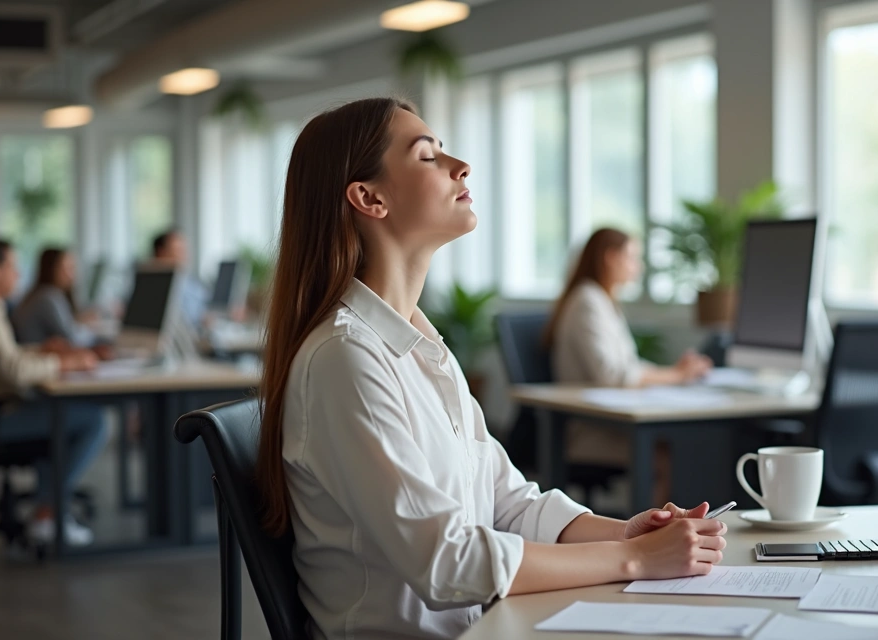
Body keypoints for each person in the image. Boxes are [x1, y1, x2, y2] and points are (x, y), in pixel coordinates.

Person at [255, 98, 727, 640]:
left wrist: (625, 534)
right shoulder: (345, 360)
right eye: (428, 156)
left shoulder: (421, 345)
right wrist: (637, 561)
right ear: (369, 198)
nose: (461, 165)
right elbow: (446, 562)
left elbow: (508, 502)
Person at [0, 237, 108, 546]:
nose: (18, 275)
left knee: (66, 416)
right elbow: (15, 372)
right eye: (13, 267)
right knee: (93, 421)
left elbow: (6, 358)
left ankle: (47, 509)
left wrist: (43, 352)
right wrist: (65, 365)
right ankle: (47, 513)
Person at [544, 228, 713, 505]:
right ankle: (656, 536)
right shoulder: (587, 300)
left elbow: (629, 365)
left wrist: (675, 372)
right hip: (590, 431)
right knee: (673, 452)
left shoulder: (603, 300)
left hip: (611, 423)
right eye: (633, 257)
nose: (639, 266)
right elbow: (613, 375)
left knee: (683, 444)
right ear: (611, 258)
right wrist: (676, 375)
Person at [12, 247, 101, 352]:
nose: (73, 275)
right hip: (40, 359)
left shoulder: (41, 293)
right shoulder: (48, 297)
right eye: (67, 268)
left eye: (73, 268)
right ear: (51, 269)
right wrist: (91, 330)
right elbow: (71, 338)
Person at [151, 227, 207, 327]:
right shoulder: (151, 285)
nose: (184, 257)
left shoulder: (188, 281)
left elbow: (207, 302)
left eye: (184, 251)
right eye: (178, 251)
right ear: (161, 253)